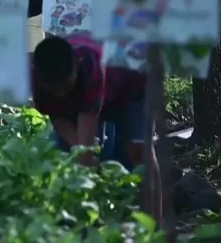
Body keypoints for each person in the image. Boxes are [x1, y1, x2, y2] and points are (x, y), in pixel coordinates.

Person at [30, 34, 160, 214]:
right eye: (54, 90)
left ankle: (154, 222)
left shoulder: (91, 63)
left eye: (65, 86)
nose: (60, 94)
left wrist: (86, 157)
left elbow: (87, 129)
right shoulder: (37, 79)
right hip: (88, 98)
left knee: (139, 153)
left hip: (133, 86)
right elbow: (58, 118)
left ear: (77, 66)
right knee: (68, 154)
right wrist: (80, 150)